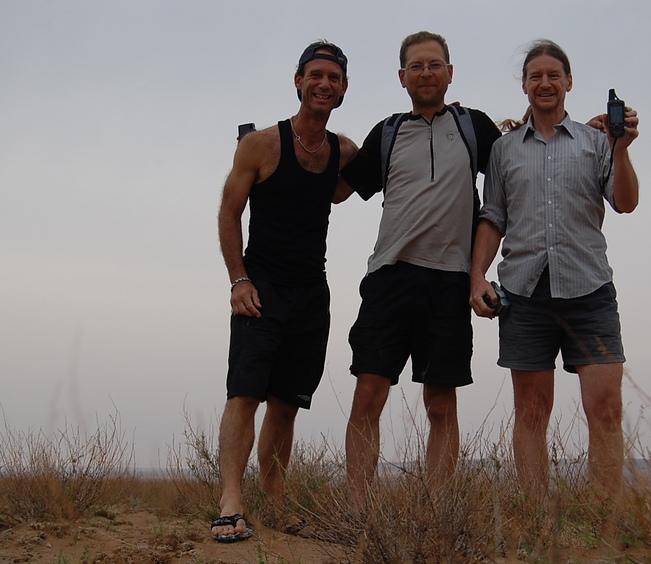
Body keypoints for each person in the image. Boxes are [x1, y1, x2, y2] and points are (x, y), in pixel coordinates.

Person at [334, 31, 501, 511]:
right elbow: (338, 189)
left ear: (450, 72)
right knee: (369, 394)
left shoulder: (474, 127)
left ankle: (436, 511)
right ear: (402, 76)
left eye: (435, 64)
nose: (426, 73)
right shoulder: (386, 132)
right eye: (416, 66)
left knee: (441, 404)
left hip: (449, 281)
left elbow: (519, 162)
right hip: (389, 277)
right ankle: (358, 511)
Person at [469, 39, 640, 504]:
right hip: (524, 294)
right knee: (530, 412)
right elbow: (493, 216)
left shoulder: (595, 142)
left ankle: (606, 519)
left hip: (590, 291)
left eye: (553, 75)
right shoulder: (503, 151)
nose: (545, 83)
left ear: (568, 82)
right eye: (535, 76)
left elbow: (625, 202)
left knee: (605, 409)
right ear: (524, 85)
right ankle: (533, 519)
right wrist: (477, 276)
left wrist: (620, 148)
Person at [211, 41, 357, 543]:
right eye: (315, 75)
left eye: (334, 77)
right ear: (298, 82)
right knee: (244, 393)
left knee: (287, 403)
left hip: (311, 294)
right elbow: (229, 213)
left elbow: (380, 175)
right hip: (261, 287)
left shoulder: (344, 151)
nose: (324, 84)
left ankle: (274, 503)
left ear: (344, 88)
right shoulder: (260, 145)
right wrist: (239, 279)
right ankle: (231, 500)